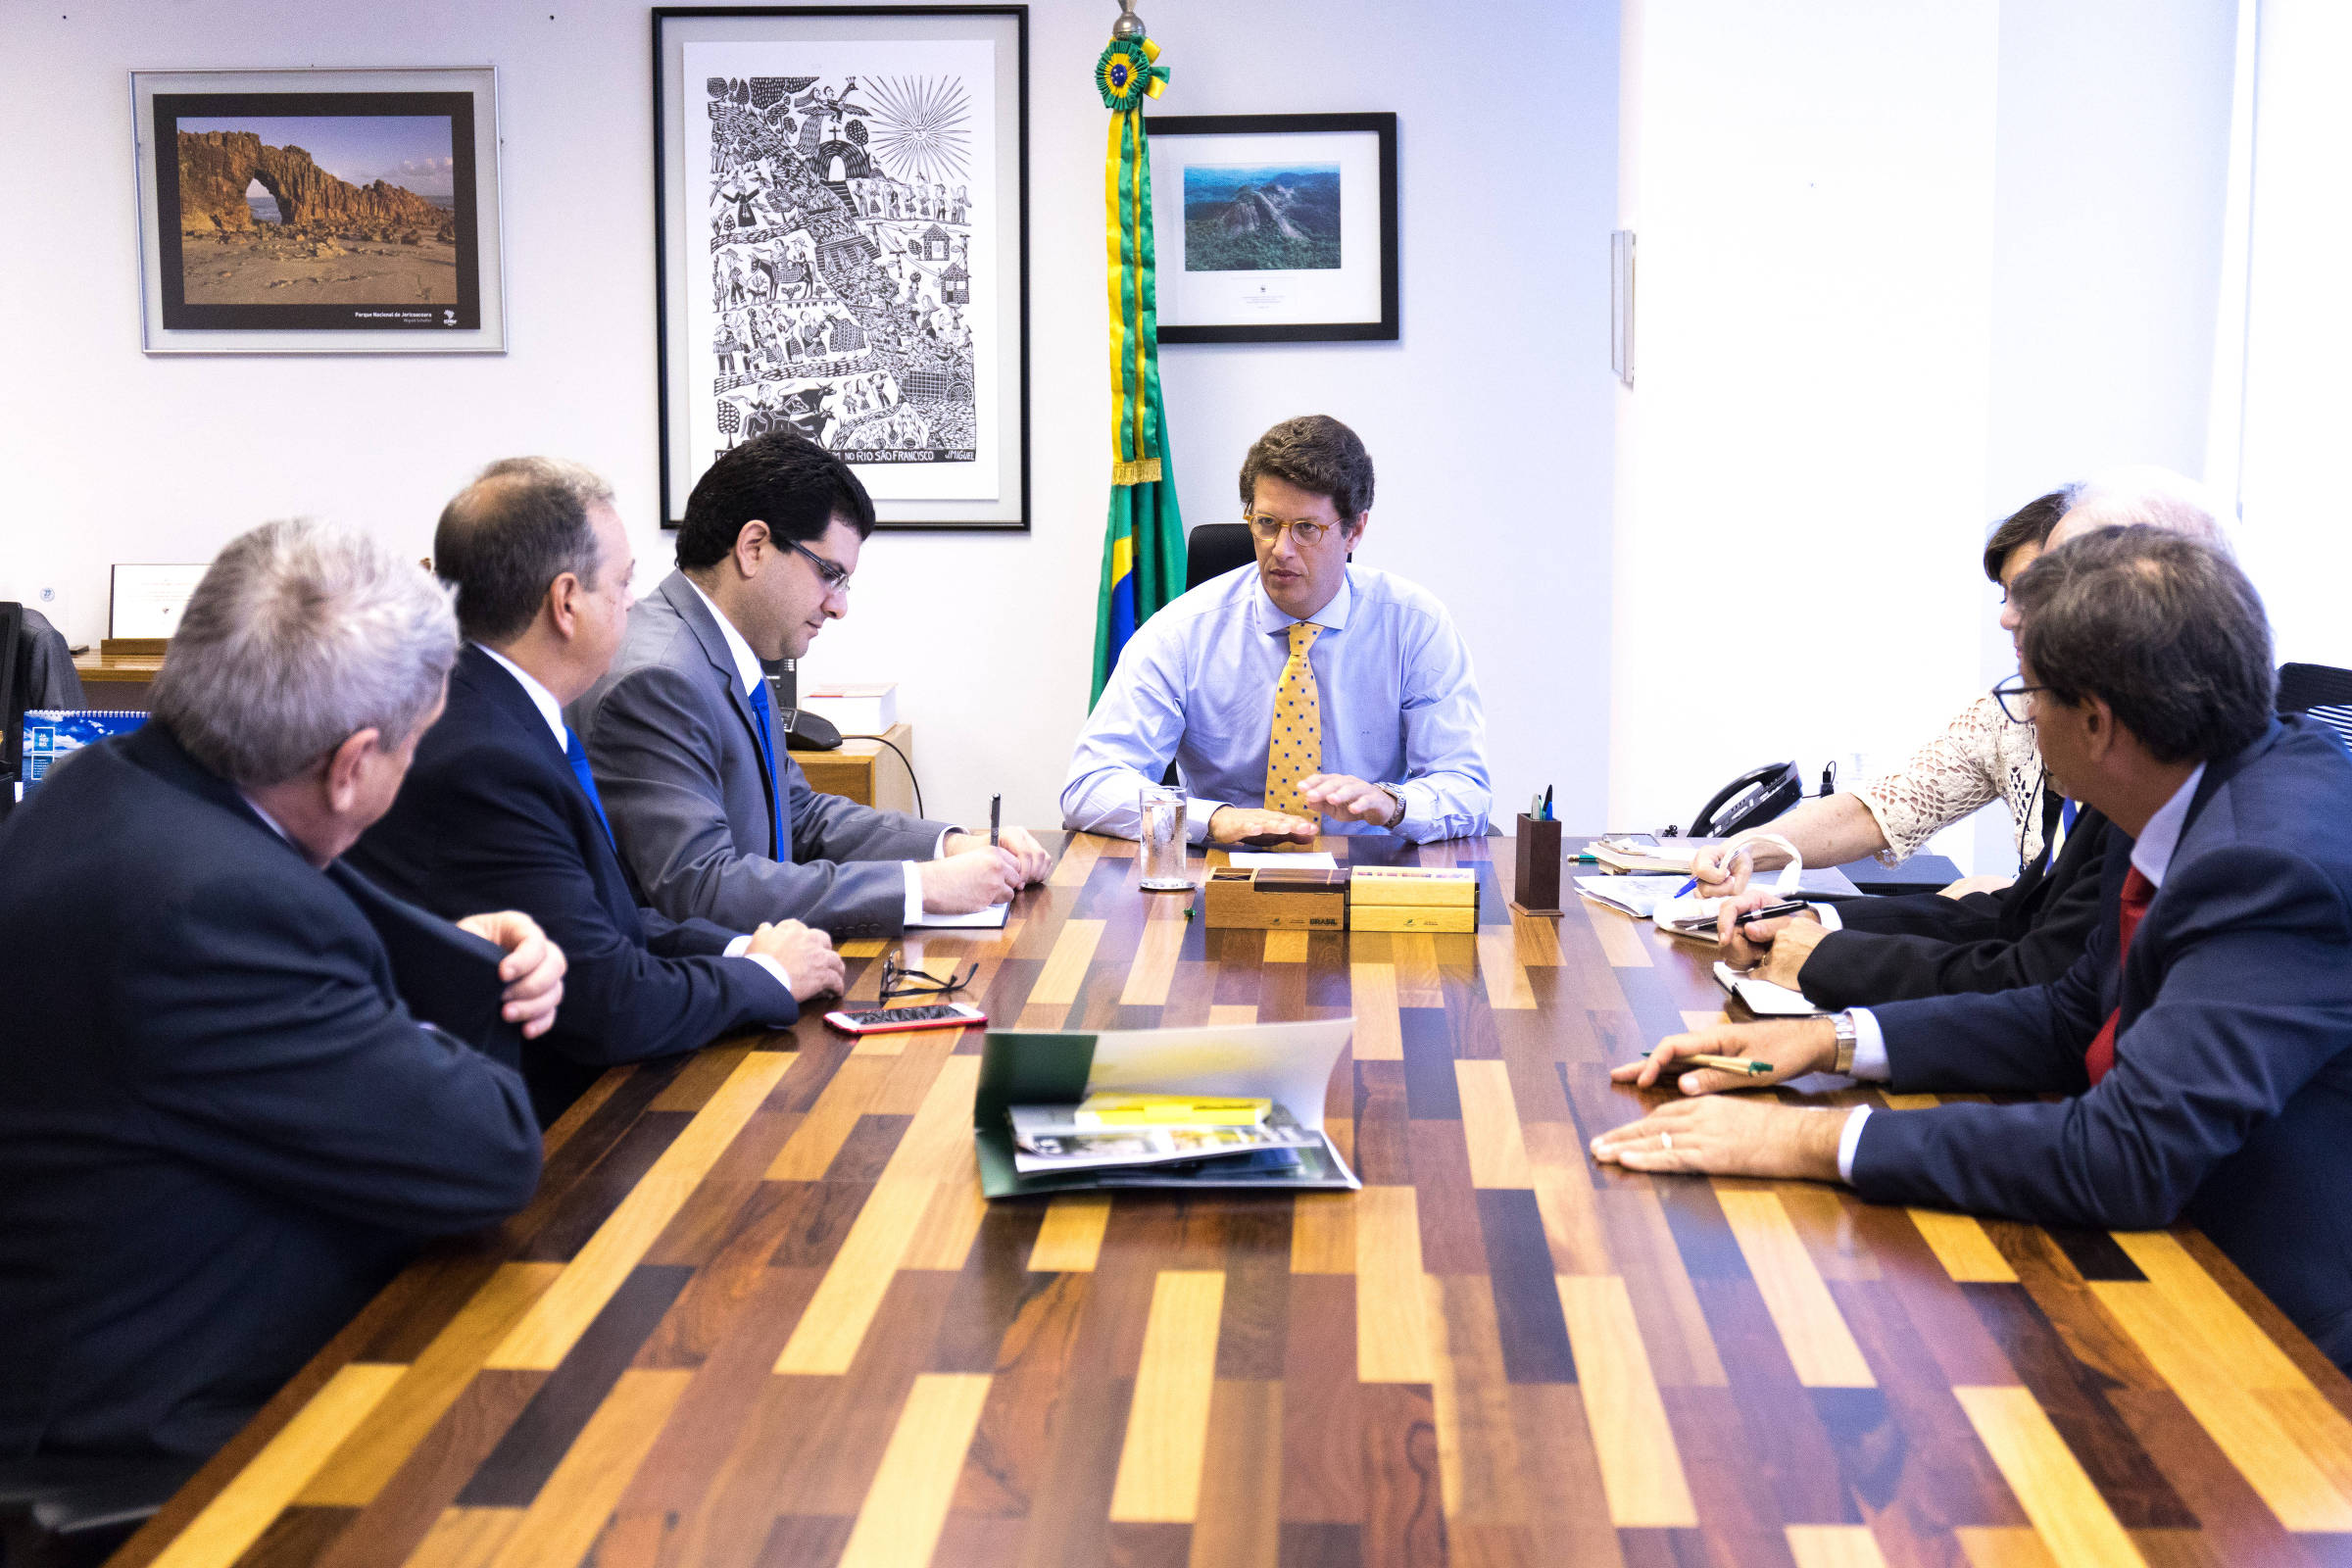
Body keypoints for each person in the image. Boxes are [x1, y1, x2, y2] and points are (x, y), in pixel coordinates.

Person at [1596, 528, 2352, 1368]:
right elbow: (2076, 1015)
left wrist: (1807, 1142)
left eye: (2026, 692)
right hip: (2160, 1257)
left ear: (2096, 722)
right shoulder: (2190, 777)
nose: (2020, 715)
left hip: (2269, 1338)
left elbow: (2127, 1152)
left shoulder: (2267, 868)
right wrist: (1829, 1040)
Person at [0, 519, 559, 1460]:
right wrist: (429, 1008)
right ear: (351, 766)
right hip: (166, 1427)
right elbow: (489, 1154)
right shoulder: (214, 914)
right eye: (411, 747)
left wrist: (452, 954)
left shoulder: (112, 785)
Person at [349, 459, 843, 1124]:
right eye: (623, 581)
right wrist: (769, 978)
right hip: (536, 1134)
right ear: (566, 603)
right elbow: (605, 1000)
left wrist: (742, 951)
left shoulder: (493, 709)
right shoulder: (486, 756)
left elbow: (594, 922)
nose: (633, 602)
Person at [1713, 468, 2231, 1005]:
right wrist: (1761, 865)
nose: (2008, 617)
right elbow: (1890, 812)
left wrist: (1829, 969)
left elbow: (2051, 983)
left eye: (2040, 591)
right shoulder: (2025, 718)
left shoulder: (2169, 779)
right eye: (2009, 595)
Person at [569, 431, 1051, 938]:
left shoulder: (719, 650)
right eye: (829, 574)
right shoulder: (659, 680)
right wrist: (922, 886)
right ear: (754, 547)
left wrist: (951, 846)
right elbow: (701, 890)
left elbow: (798, 816)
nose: (838, 606)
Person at [1059, 415, 1492, 845]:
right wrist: (1212, 820)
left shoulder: (1414, 626)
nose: (1280, 550)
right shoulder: (1181, 632)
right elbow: (1091, 785)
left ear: (1354, 530)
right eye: (1266, 523)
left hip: (1368, 869)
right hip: (1222, 871)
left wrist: (1393, 803)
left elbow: (1466, 787)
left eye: (1307, 529)